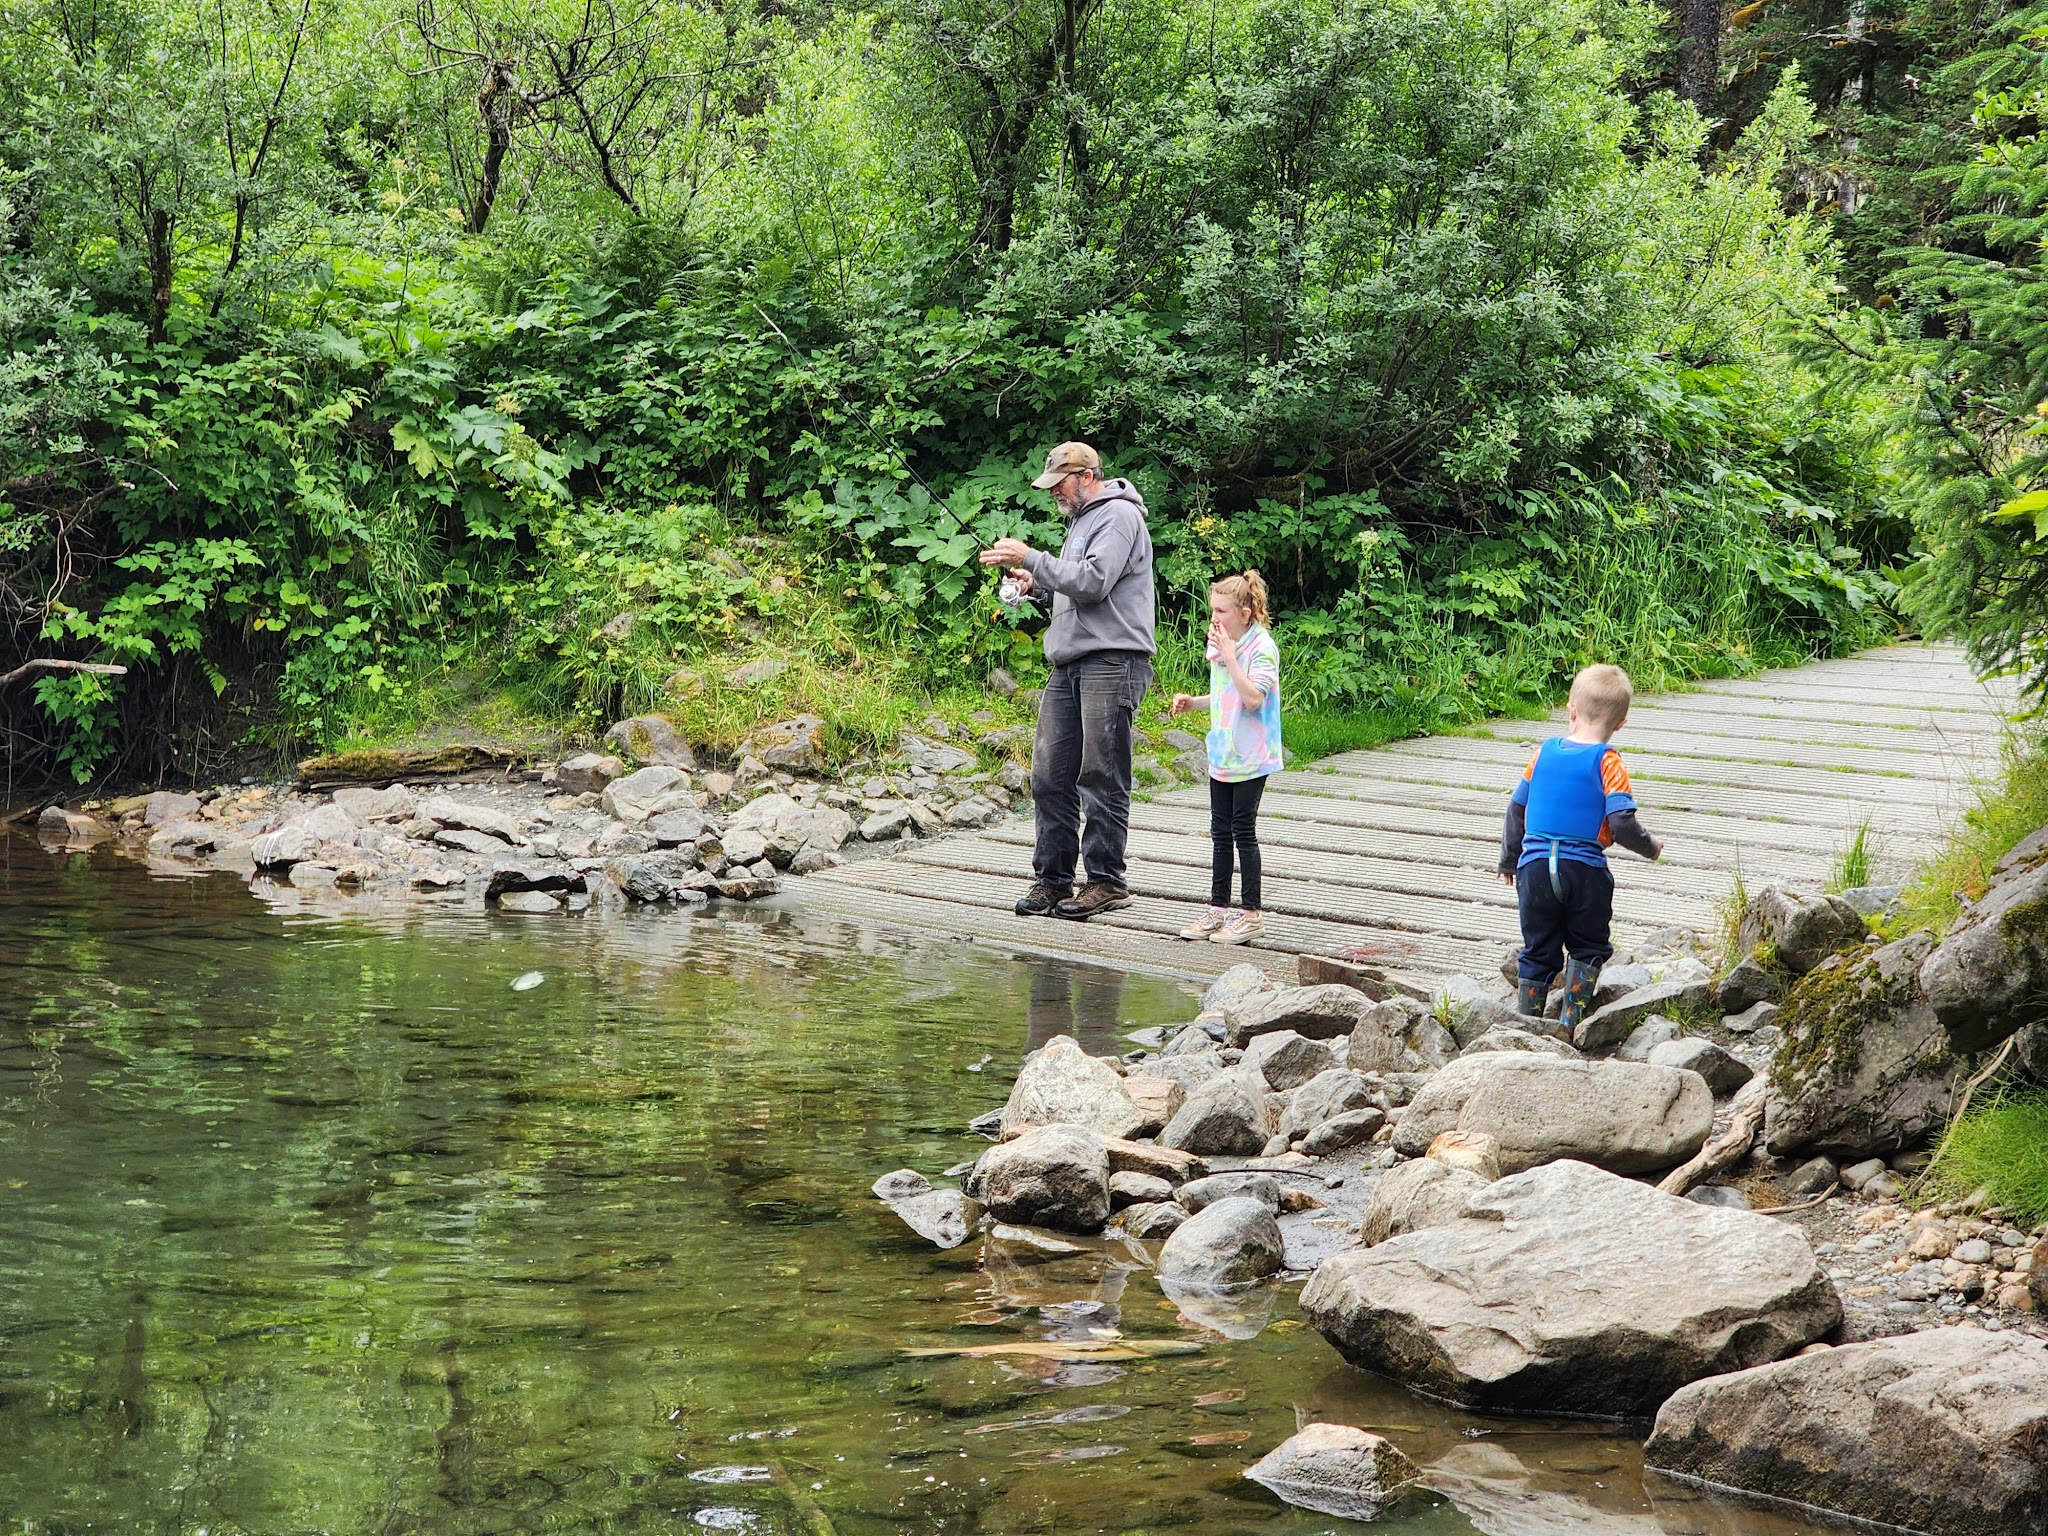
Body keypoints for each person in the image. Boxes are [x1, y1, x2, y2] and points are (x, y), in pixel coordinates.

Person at [978, 442, 1156, 920]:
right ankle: (1052, 881)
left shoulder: (1118, 516)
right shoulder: (1079, 521)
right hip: (1069, 661)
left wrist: (1034, 559)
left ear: (1088, 475)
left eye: (1060, 481)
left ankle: (1105, 882)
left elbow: (1095, 582)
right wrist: (1035, 586)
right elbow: (1075, 584)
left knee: (1100, 773)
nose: (1054, 489)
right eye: (1051, 482)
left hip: (1112, 661)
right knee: (1049, 776)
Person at [1497, 663, 1665, 1038]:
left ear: (1570, 710)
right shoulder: (1608, 761)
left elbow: (1516, 809)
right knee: (1588, 944)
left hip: (1535, 867)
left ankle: (1528, 1028)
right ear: (1620, 723)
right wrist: (1650, 847)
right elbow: (1621, 823)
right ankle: (1569, 1025)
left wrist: (1509, 858)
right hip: (1584, 871)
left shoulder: (1543, 753)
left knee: (1538, 948)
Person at [1169, 571, 1282, 945]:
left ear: (1245, 613)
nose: (1214, 618)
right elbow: (1226, 695)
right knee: (1219, 834)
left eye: (1222, 611)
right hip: (1224, 751)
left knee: (1242, 831)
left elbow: (1252, 699)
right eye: (1211, 610)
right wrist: (1194, 704)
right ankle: (1217, 910)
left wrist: (1231, 655)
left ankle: (1251, 913)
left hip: (1252, 754)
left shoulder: (1261, 647)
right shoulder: (1221, 644)